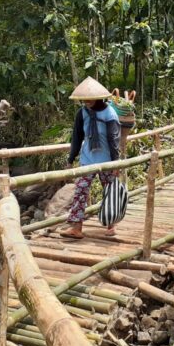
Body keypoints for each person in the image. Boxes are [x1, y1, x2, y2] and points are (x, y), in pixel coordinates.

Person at [61, 76, 121, 239]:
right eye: (84, 99)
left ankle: (111, 224)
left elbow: (114, 140)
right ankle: (77, 227)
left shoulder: (110, 114)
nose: (86, 102)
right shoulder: (82, 113)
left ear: (98, 97)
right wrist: (70, 159)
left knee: (109, 191)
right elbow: (77, 137)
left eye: (89, 99)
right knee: (80, 190)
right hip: (87, 158)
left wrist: (116, 163)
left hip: (107, 159)